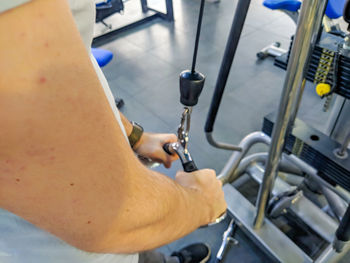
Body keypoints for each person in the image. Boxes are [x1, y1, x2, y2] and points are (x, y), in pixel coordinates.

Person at [0, 0, 227, 262]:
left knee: (144, 253)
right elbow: (110, 216)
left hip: (117, 247)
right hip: (62, 252)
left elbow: (70, 86)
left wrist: (134, 135)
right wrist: (200, 202)